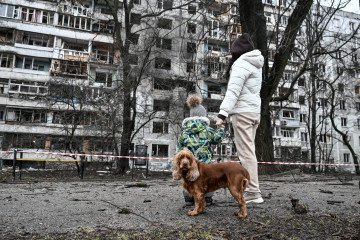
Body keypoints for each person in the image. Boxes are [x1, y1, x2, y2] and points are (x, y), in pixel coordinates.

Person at [215, 33, 264, 204]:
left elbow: (233, 92)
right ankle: (252, 188)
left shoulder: (241, 65)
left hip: (242, 113)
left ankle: (252, 191)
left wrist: (222, 114)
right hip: (253, 113)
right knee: (249, 151)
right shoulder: (256, 64)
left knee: (246, 153)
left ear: (237, 51)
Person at [176, 94, 225, 206]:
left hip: (188, 163)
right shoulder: (208, 130)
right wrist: (221, 129)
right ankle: (207, 198)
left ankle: (189, 199)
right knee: (207, 179)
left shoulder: (184, 132)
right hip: (205, 163)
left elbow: (179, 150)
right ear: (204, 116)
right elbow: (216, 140)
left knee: (187, 177)